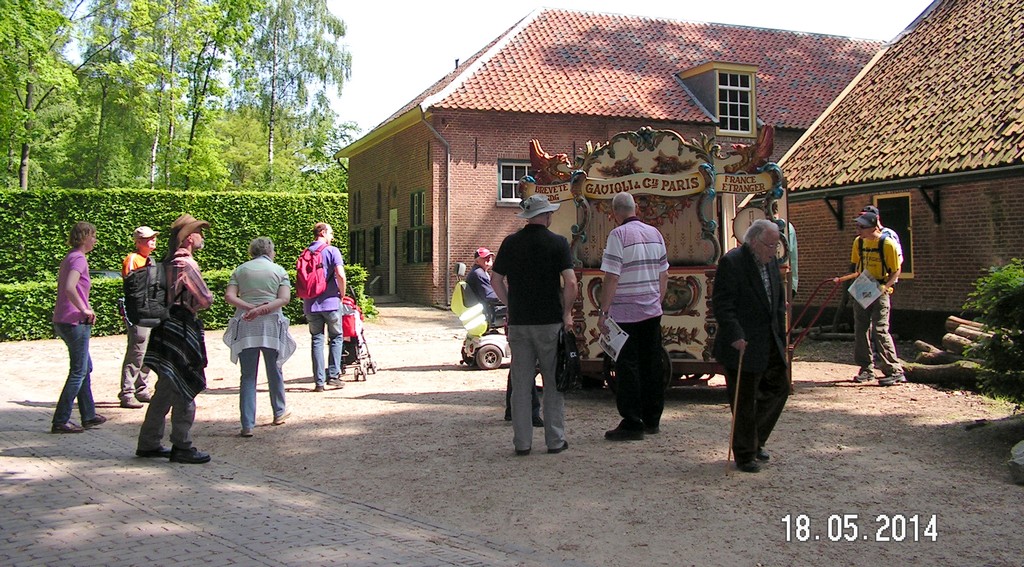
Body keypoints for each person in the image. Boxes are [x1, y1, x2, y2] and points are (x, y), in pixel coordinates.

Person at [492, 194, 577, 456]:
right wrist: (567, 313)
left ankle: (522, 442)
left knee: (521, 383)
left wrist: (510, 305)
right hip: (549, 321)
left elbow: (496, 280)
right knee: (553, 382)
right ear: (547, 216)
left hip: (520, 322)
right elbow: (571, 283)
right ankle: (554, 440)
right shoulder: (558, 243)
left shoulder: (510, 243)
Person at [135, 214, 214, 464]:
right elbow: (205, 299)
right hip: (181, 327)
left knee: (166, 387)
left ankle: (148, 442)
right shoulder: (187, 265)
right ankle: (182, 444)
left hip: (165, 326)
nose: (202, 237)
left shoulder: (166, 262)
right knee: (184, 384)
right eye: (199, 232)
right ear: (190, 238)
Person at [712, 219, 789, 473]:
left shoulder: (771, 263)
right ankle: (745, 454)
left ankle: (755, 439)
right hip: (742, 342)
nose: (773, 250)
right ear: (754, 242)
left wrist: (781, 333)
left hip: (768, 339)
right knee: (744, 400)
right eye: (769, 245)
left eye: (776, 246)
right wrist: (735, 334)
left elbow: (777, 301)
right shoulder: (732, 262)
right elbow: (723, 304)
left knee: (779, 388)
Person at [598, 192, 669, 441]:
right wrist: (656, 300)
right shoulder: (655, 234)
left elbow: (612, 277)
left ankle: (632, 420)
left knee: (627, 366)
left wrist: (603, 311)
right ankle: (653, 418)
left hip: (626, 313)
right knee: (652, 363)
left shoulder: (618, 235)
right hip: (651, 310)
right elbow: (664, 275)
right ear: (635, 208)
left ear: (615, 213)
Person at [223, 237, 296, 437]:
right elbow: (284, 299)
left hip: (246, 324)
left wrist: (250, 307)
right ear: (270, 251)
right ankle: (279, 412)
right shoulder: (280, 271)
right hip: (271, 324)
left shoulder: (240, 270)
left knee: (247, 376)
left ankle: (247, 424)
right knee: (275, 370)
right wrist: (264, 309)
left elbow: (229, 296)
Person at [51, 222, 106, 433]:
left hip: (65, 319)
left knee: (85, 367)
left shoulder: (71, 256)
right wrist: (84, 308)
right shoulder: (79, 259)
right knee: (78, 371)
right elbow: (69, 287)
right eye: (93, 236)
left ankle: (89, 415)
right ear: (84, 237)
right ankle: (61, 420)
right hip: (74, 321)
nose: (95, 240)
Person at [838, 211, 905, 386]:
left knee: (880, 329)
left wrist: (886, 286)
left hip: (880, 286)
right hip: (863, 285)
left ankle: (894, 369)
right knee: (860, 328)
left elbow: (896, 270)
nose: (858, 229)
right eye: (857, 226)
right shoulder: (858, 242)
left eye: (862, 227)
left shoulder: (887, 243)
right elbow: (856, 264)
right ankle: (866, 369)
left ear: (873, 227)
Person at [118, 226, 160, 409]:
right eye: (149, 238)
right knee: (136, 353)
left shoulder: (150, 260)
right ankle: (127, 392)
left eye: (153, 238)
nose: (153, 241)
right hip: (139, 314)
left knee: (149, 352)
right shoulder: (133, 259)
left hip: (151, 312)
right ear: (138, 242)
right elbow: (132, 286)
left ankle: (141, 388)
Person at [303, 222, 347, 392]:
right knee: (336, 337)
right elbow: (341, 275)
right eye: (330, 233)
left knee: (316, 339)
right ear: (322, 233)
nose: (332, 236)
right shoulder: (332, 251)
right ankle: (334, 376)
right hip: (331, 302)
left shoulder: (306, 252)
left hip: (311, 304)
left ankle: (319, 381)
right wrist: (341, 295)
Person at [465, 247, 506, 326]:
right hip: (488, 309)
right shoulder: (479, 274)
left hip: (487, 307)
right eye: (484, 257)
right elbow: (489, 296)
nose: (488, 258)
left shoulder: (480, 272)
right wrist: (507, 299)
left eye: (489, 256)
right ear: (476, 261)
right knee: (518, 307)